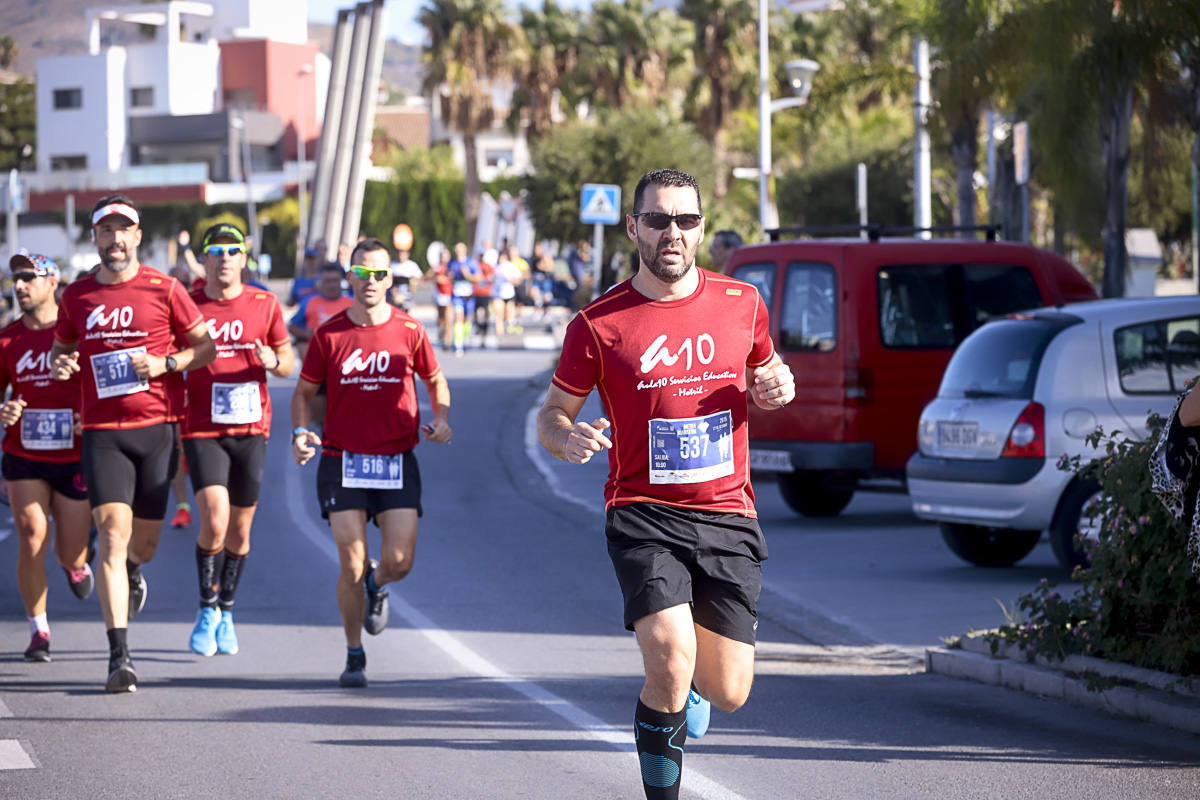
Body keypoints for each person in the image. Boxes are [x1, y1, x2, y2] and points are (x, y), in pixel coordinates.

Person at [536, 169, 795, 800]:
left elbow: (769, 373)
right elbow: (553, 413)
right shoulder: (598, 324)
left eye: (684, 219)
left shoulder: (743, 304)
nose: (671, 232)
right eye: (656, 219)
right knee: (669, 655)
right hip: (641, 512)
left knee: (730, 691)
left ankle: (696, 693)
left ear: (701, 228)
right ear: (633, 228)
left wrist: (779, 386)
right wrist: (563, 437)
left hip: (728, 513)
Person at [51, 193, 216, 693]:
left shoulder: (165, 290)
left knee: (141, 544)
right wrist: (63, 365)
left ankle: (135, 571)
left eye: (124, 230)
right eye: (106, 231)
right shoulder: (77, 296)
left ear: (137, 237)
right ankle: (119, 655)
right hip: (103, 434)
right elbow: (63, 350)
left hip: (157, 430)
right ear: (95, 237)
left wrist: (166, 364)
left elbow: (204, 348)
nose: (115, 239)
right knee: (112, 534)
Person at [290, 237, 452, 688]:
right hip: (342, 458)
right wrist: (301, 433)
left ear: (390, 278)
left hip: (397, 459)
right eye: (362, 273)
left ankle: (379, 587)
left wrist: (441, 419)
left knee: (399, 561)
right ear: (351, 277)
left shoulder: (409, 329)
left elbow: (436, 381)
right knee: (351, 564)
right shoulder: (330, 334)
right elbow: (303, 395)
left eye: (380, 273)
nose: (371, 281)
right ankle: (354, 652)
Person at [183, 222, 294, 657]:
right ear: (205, 258)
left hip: (251, 428)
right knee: (214, 520)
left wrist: (274, 360)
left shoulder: (264, 304)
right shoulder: (188, 304)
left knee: (241, 530)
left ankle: (227, 609)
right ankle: (206, 607)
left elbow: (288, 362)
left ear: (244, 258)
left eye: (233, 250)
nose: (225, 257)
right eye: (217, 250)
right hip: (203, 426)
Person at [0, 254, 92, 663]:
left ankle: (75, 564)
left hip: (74, 456)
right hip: (24, 453)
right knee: (31, 534)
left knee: (69, 550)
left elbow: (106, 387)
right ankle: (39, 629)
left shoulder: (77, 333)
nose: (18, 286)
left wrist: (84, 419)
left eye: (27, 278)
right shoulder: (7, 340)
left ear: (52, 282)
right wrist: (3, 414)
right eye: (14, 279)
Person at [287, 263, 352, 359]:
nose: (332, 285)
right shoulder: (309, 302)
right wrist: (305, 334)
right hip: (317, 356)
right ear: (320, 283)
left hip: (346, 355)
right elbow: (292, 326)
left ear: (341, 282)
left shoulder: (352, 302)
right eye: (328, 281)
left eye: (335, 280)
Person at [447, 241, 480, 356]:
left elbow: (479, 278)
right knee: (458, 317)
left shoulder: (471, 263)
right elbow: (448, 275)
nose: (458, 254)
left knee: (466, 319)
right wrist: (449, 276)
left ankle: (465, 338)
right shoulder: (452, 263)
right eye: (457, 252)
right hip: (457, 296)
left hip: (468, 296)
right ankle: (458, 345)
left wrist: (468, 276)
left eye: (461, 252)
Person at [431, 245, 453, 348]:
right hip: (439, 295)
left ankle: (447, 340)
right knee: (441, 318)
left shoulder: (452, 266)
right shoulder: (437, 267)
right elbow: (432, 277)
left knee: (449, 318)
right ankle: (441, 332)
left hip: (449, 295)